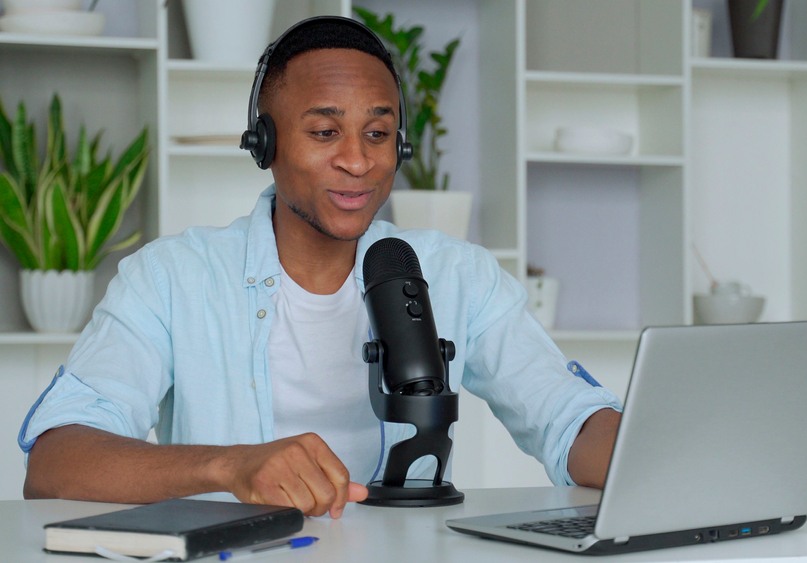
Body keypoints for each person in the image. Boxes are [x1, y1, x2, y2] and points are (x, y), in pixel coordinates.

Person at [18, 16, 621, 519]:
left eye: (378, 133)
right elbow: (56, 462)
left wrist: (658, 454)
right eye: (325, 131)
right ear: (265, 144)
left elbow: (565, 419)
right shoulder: (171, 278)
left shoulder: (459, 273)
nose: (357, 161)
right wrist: (232, 466)